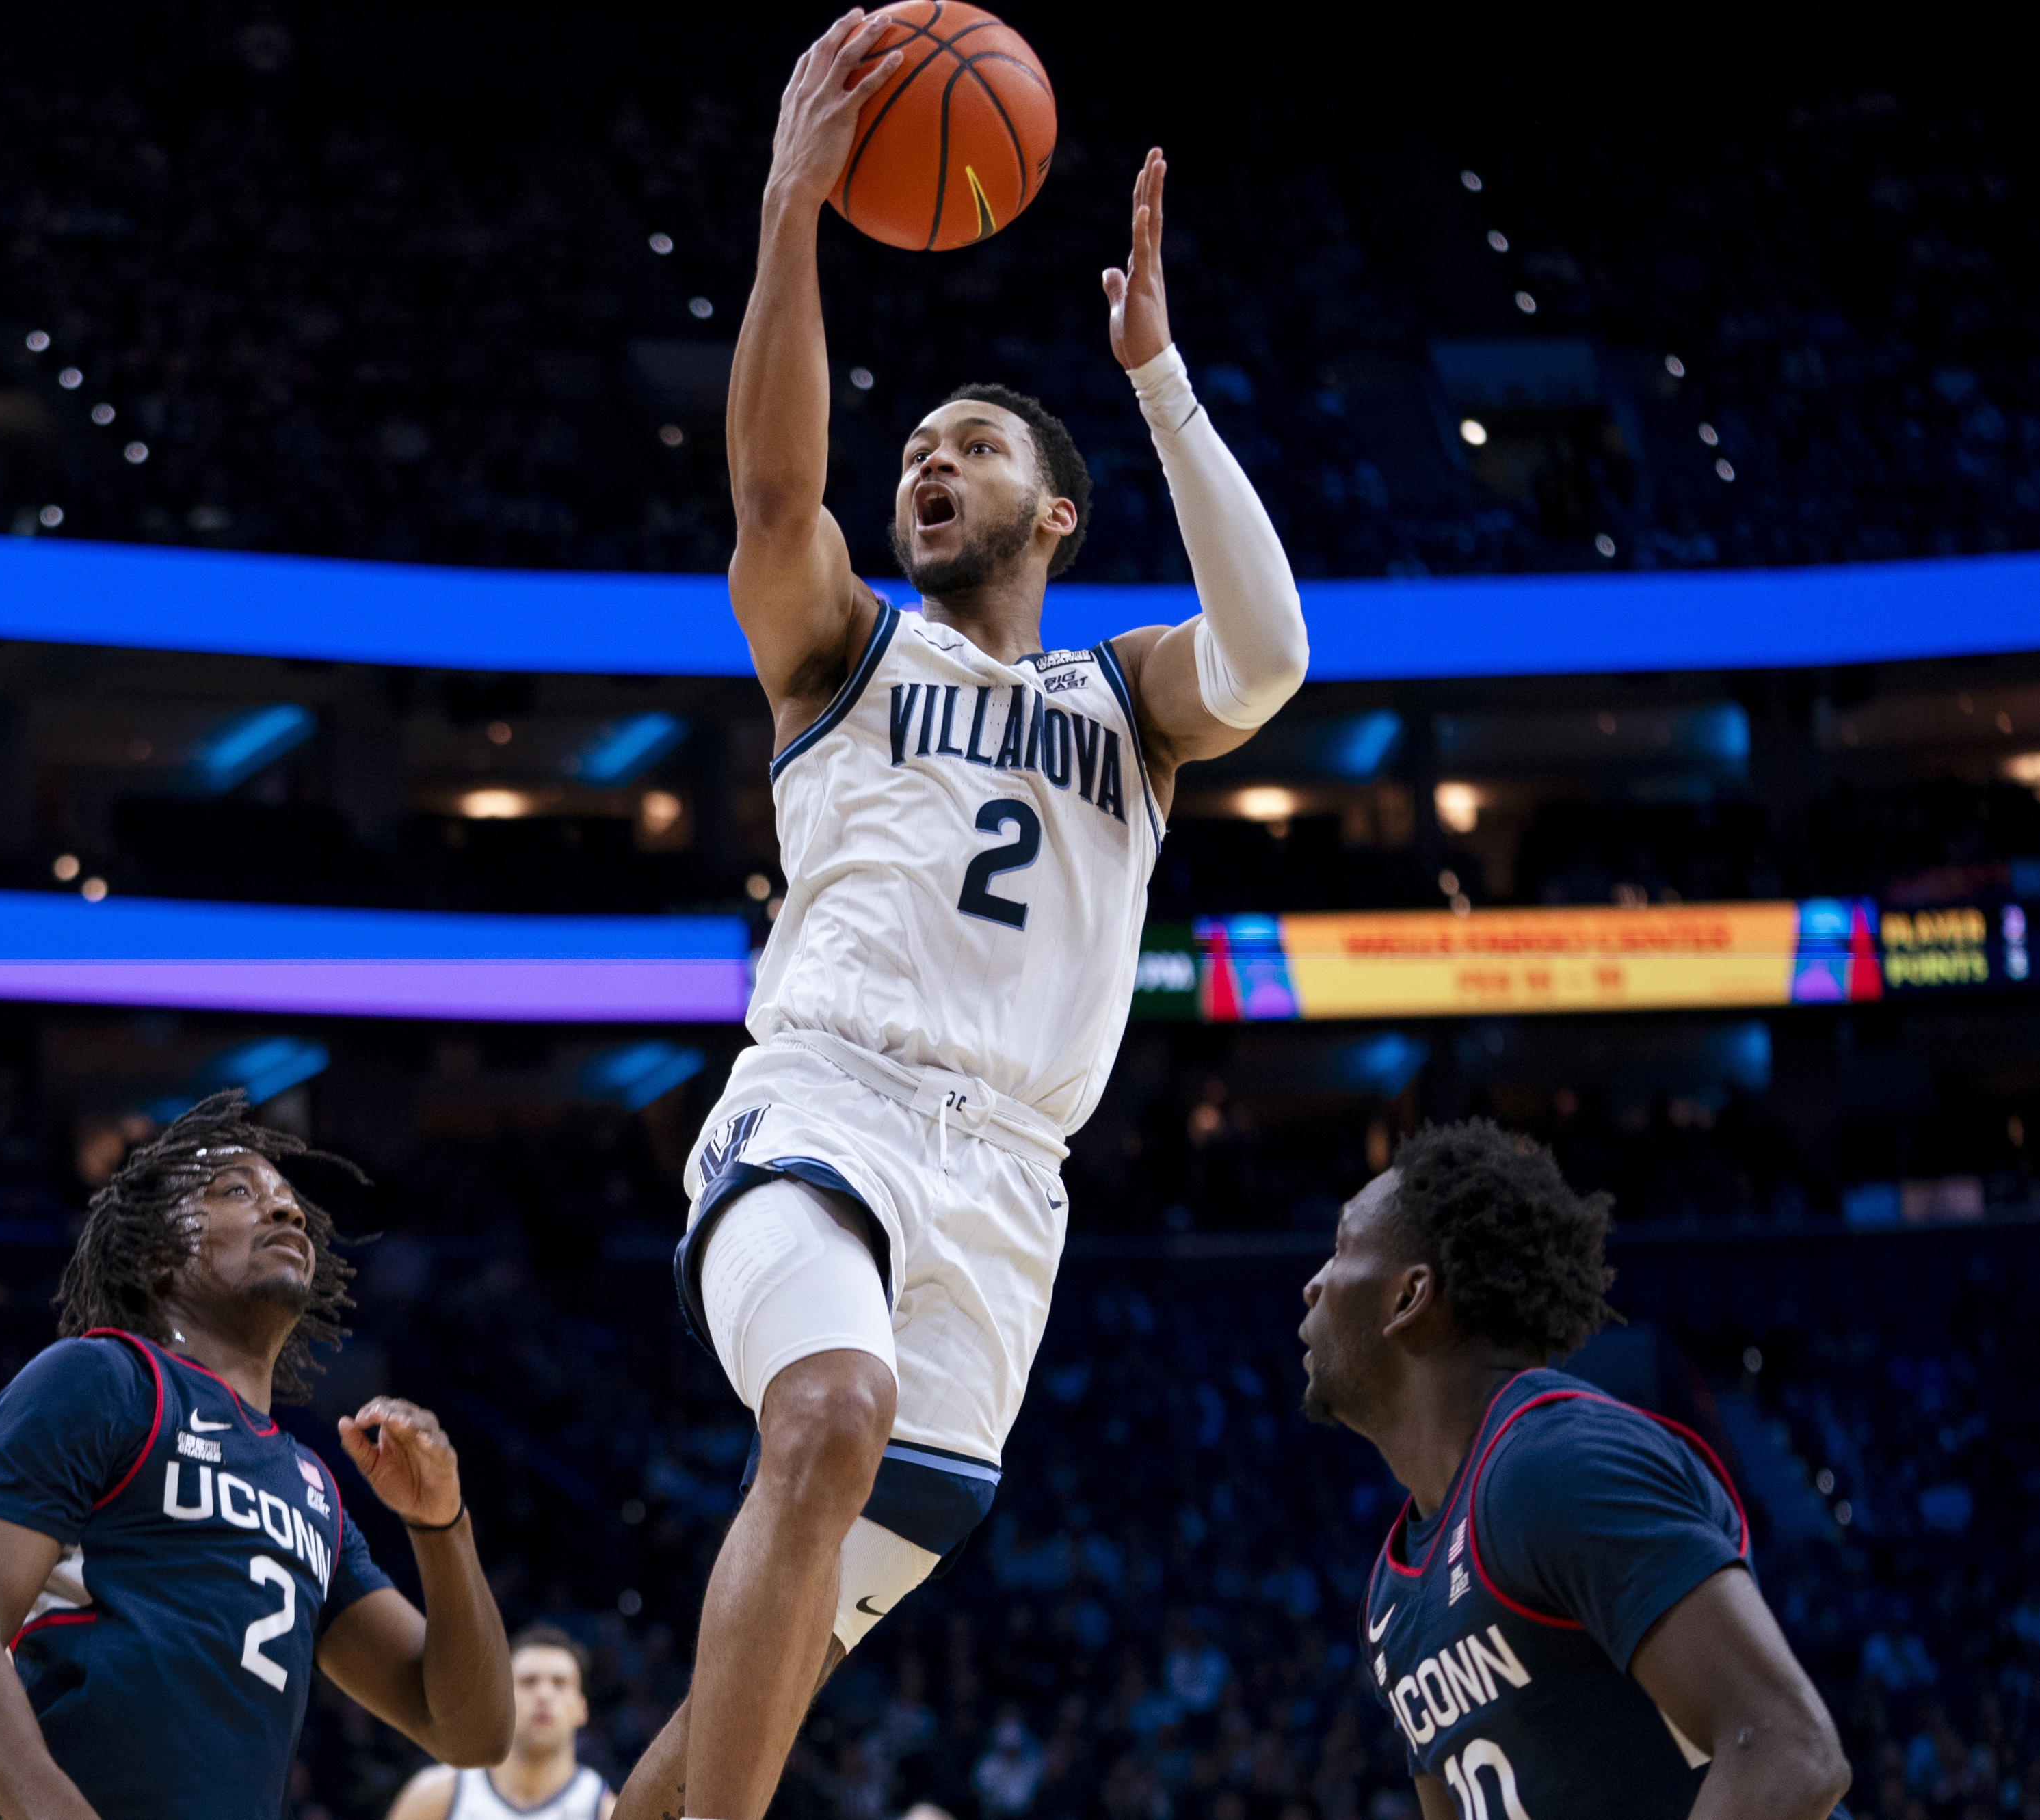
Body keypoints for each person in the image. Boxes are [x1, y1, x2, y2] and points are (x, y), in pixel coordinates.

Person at [622, 14, 1311, 1820]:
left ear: (1056, 509)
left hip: (1012, 1183)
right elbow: (777, 492)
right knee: (827, 1417)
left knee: (747, 1699)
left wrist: (1156, 374)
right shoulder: (845, 650)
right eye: (917, 445)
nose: (929, 460)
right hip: (826, 1100)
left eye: (974, 446)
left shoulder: (1127, 703)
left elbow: (1276, 654)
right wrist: (790, 214)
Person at [0, 1093, 514, 1820]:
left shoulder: (312, 1487)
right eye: (238, 1191)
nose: (287, 1212)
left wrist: (442, 1525)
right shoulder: (101, 1378)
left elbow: (471, 1730)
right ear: (162, 1255)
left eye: (291, 1202)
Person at [1297, 1120, 1853, 1819]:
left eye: (1343, 1246)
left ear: (1410, 1297)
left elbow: (1789, 1749)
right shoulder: (1390, 1592)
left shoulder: (1553, 1466)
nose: (1313, 1285)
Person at [384, 1626, 615, 1820]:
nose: (544, 1694)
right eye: (528, 1682)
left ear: (581, 1709)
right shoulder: (435, 1794)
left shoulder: (605, 1811)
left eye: (559, 1683)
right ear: (500, 1701)